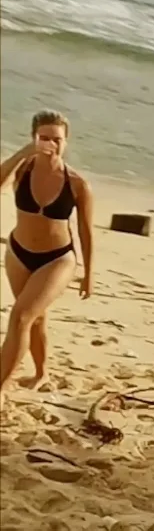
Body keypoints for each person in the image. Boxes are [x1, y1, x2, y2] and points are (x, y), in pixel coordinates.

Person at [0, 110, 95, 402]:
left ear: (66, 142)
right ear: (33, 138)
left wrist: (88, 275)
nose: (51, 144)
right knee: (35, 318)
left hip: (58, 258)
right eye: (44, 138)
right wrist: (22, 153)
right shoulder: (22, 170)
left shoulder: (77, 184)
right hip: (18, 252)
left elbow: (86, 232)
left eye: (57, 139)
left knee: (20, 317)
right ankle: (42, 373)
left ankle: (1, 386)